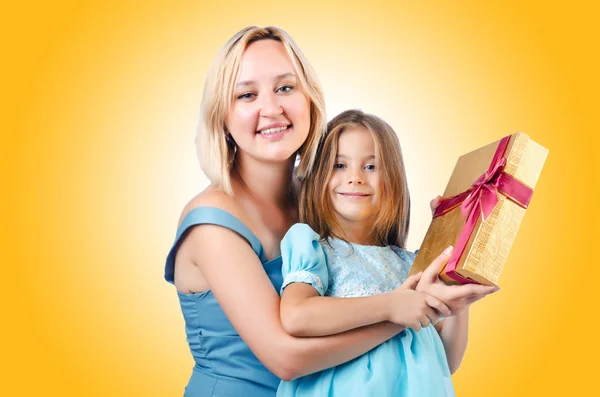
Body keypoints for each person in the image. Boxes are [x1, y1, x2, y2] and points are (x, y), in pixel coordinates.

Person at [164, 26, 496, 397]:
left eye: (285, 88)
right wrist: (401, 313)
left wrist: (448, 260)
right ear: (221, 116)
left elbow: (388, 289)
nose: (272, 108)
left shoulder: (322, 200)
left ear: (309, 99)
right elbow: (287, 359)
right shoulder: (212, 224)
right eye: (247, 94)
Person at [277, 110, 498, 397]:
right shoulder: (314, 247)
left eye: (371, 167)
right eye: (339, 165)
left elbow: (446, 360)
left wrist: (458, 288)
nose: (355, 178)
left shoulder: (411, 265)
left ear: (393, 179)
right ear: (318, 176)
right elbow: (297, 317)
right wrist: (391, 306)